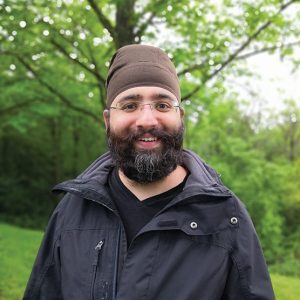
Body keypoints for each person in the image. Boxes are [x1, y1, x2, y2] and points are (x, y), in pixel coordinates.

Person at [23, 44, 275, 300]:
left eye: (162, 105)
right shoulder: (72, 210)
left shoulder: (226, 217)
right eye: (130, 105)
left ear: (180, 117)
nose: (147, 120)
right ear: (108, 120)